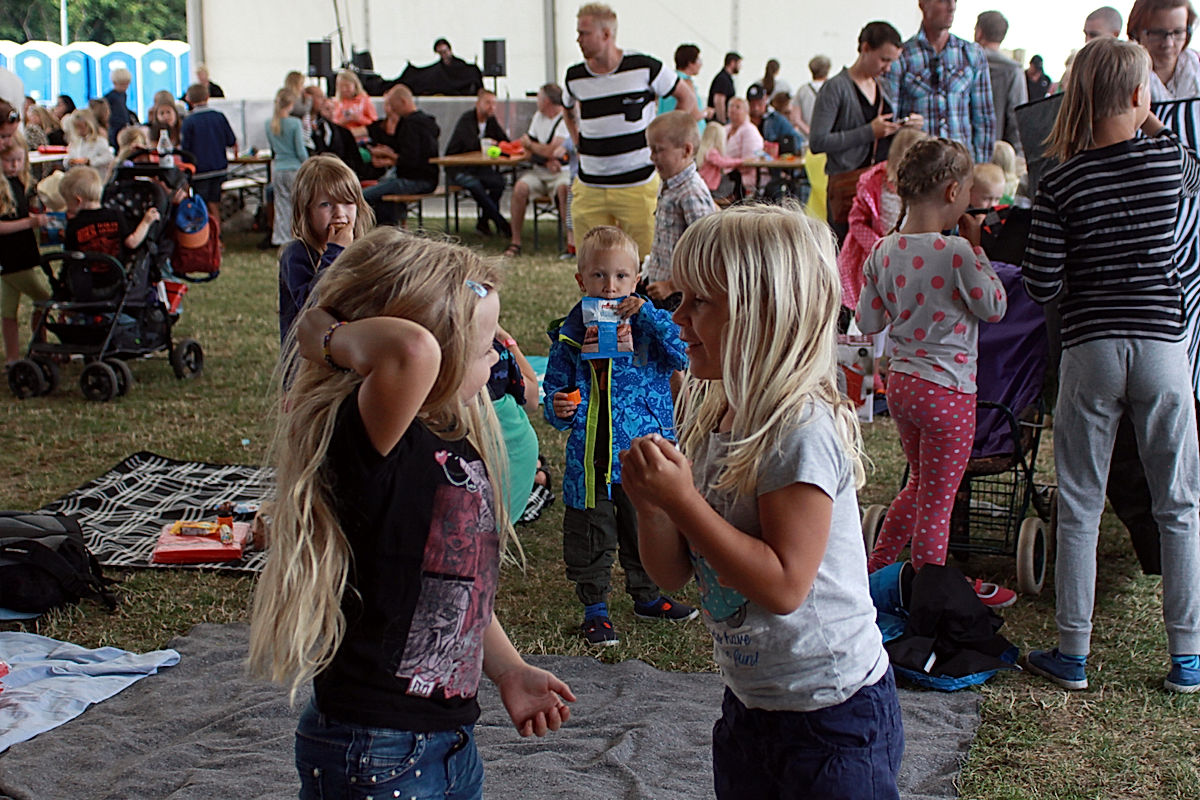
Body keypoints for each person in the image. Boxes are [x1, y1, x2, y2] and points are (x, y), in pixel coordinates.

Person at [248, 228, 576, 798]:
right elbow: (412, 350)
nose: (498, 353)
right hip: (375, 746)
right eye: (482, 345)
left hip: (445, 740)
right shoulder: (373, 439)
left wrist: (508, 670)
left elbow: (452, 592)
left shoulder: (446, 436)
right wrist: (322, 334)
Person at [620, 205, 903, 799]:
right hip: (754, 706)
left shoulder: (800, 428)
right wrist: (652, 508)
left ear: (762, 315)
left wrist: (684, 503)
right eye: (680, 299)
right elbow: (672, 573)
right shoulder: (715, 415)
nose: (678, 319)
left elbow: (783, 585)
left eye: (700, 303)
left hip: (833, 715)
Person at [1019, 37, 1200, 694]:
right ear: (1135, 93)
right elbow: (1192, 173)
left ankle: (1073, 653)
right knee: (1178, 503)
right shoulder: (1165, 161)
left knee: (1081, 503)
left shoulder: (1059, 180)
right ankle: (1187, 657)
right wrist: (1146, 114)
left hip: (1091, 349)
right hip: (1161, 348)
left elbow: (1041, 285)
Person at [855, 138, 1012, 607]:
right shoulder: (958, 253)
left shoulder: (883, 250)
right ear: (951, 192)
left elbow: (868, 322)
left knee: (919, 484)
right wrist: (978, 250)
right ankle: (931, 594)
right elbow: (995, 308)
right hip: (949, 392)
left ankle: (877, 568)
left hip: (902, 385)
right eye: (966, 193)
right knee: (939, 504)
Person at [543, 225, 695, 646]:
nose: (610, 286)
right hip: (590, 455)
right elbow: (554, 387)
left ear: (637, 277)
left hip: (644, 450)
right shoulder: (570, 334)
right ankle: (595, 607)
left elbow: (683, 353)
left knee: (646, 525)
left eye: (621, 276)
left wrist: (646, 314)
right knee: (590, 531)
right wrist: (558, 406)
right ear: (580, 279)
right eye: (598, 276)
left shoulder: (652, 325)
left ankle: (647, 596)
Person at [562, 3, 697, 259]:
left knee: (647, 261)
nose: (578, 39)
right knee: (591, 264)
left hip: (638, 184)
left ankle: (643, 302)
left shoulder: (645, 67)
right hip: (590, 185)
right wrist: (577, 140)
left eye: (584, 33)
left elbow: (686, 98)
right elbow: (567, 109)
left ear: (606, 35)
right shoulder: (574, 76)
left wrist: (666, 142)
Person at [810, 21, 919, 242]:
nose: (887, 68)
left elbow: (882, 132)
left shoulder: (883, 86)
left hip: (882, 186)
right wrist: (869, 132)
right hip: (848, 187)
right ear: (865, 48)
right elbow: (818, 142)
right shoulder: (835, 88)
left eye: (891, 61)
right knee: (846, 252)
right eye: (884, 59)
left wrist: (903, 127)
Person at [885, 0, 996, 164]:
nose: (952, 7)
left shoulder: (971, 54)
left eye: (955, 1)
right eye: (942, 1)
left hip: (960, 164)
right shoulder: (902, 56)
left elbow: (984, 117)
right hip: (918, 166)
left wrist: (980, 166)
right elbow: (890, 119)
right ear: (923, 4)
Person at [278, 154, 373, 341]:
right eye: (326, 205)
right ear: (305, 212)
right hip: (306, 361)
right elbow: (312, 306)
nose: (339, 213)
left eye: (347, 202)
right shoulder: (296, 254)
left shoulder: (362, 251)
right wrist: (335, 252)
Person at [836, 126, 926, 310]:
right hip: (873, 255)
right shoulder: (874, 182)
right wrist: (878, 246)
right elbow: (856, 220)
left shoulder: (926, 189)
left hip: (912, 256)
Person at [643, 110, 717, 308]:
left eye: (658, 150)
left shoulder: (691, 193)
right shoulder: (668, 183)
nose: (652, 157)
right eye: (651, 150)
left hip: (679, 297)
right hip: (659, 287)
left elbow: (706, 251)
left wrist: (672, 285)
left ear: (686, 150)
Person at [0, 132, 50, 366]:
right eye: (10, 161)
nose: (15, 166)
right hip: (14, 257)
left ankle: (13, 356)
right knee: (45, 298)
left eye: (19, 160)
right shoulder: (3, 188)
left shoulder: (18, 183)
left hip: (20, 254)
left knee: (8, 310)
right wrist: (30, 223)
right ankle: (39, 346)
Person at [507, 83, 571, 257]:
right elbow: (528, 149)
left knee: (564, 189)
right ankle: (516, 242)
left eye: (539, 97)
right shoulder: (538, 117)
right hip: (540, 170)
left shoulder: (565, 118)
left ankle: (570, 243)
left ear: (547, 100)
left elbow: (551, 149)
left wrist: (537, 148)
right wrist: (545, 157)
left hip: (561, 172)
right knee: (520, 188)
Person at [362, 84, 440, 226]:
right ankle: (389, 227)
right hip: (430, 178)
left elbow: (411, 159)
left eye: (393, 105)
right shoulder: (427, 122)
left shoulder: (410, 125)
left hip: (414, 180)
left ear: (403, 102)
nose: (392, 110)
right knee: (383, 193)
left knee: (364, 196)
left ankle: (385, 229)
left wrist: (390, 156)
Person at [445, 88, 511, 238]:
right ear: (478, 103)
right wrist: (487, 143)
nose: (491, 107)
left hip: (479, 167)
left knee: (499, 182)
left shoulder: (491, 121)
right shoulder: (467, 119)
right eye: (488, 103)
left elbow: (504, 140)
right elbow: (468, 144)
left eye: (494, 104)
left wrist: (499, 145)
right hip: (458, 168)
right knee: (474, 185)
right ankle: (501, 223)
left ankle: (483, 222)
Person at [61, 165, 159, 257]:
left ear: (78, 201)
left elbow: (71, 257)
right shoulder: (115, 215)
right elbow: (132, 242)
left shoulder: (74, 225)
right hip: (115, 272)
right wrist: (146, 222)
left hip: (85, 274)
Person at [180, 82, 237, 221]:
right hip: (219, 167)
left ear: (188, 100)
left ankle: (207, 235)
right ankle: (217, 235)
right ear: (208, 97)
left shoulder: (189, 121)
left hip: (200, 170)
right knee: (215, 202)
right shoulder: (219, 117)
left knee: (202, 204)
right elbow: (231, 140)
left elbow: (185, 149)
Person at [975, 11, 1027, 157]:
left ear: (979, 32)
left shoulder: (966, 62)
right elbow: (1017, 119)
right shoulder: (1013, 70)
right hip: (997, 154)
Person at [1128, 0, 1200, 100]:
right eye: (1157, 33)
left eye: (1178, 32)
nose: (1168, 43)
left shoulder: (1197, 65)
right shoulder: (1123, 73)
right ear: (1136, 32)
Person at [265, 88, 309, 247]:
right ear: (291, 104)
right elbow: (300, 149)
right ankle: (299, 235)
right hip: (294, 168)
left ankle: (280, 237)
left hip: (278, 168)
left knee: (281, 205)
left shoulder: (269, 124)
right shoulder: (295, 123)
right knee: (299, 204)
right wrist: (309, 162)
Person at [658, 44, 707, 125]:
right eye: (699, 60)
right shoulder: (686, 83)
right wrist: (706, 112)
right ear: (690, 63)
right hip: (686, 132)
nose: (701, 64)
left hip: (664, 128)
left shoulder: (668, 79)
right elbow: (693, 115)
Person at [724, 97, 763, 193]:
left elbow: (749, 161)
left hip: (741, 177)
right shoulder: (724, 129)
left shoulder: (749, 130)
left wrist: (725, 164)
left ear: (746, 111)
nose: (733, 109)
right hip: (723, 173)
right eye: (731, 106)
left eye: (737, 107)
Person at [64, 109, 115, 177]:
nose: (79, 131)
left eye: (82, 127)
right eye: (77, 127)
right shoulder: (75, 143)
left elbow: (109, 158)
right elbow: (69, 157)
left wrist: (91, 161)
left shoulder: (100, 141)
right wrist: (69, 162)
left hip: (96, 177)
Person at [695, 122, 743, 194]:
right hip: (710, 185)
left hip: (705, 182)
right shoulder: (712, 152)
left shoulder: (704, 151)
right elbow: (723, 162)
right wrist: (741, 161)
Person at [793, 55, 831, 136]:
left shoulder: (802, 90)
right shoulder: (833, 88)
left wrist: (810, 132)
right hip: (829, 136)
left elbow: (796, 118)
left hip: (807, 138)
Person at [103, 68, 136, 148]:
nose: (125, 87)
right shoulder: (109, 97)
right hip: (114, 127)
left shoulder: (123, 95)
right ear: (114, 83)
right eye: (122, 84)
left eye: (127, 84)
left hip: (123, 126)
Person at [708, 51, 742, 125]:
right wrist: (722, 121)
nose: (740, 67)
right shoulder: (723, 79)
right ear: (732, 63)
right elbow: (719, 101)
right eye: (739, 63)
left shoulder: (726, 78)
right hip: (718, 121)